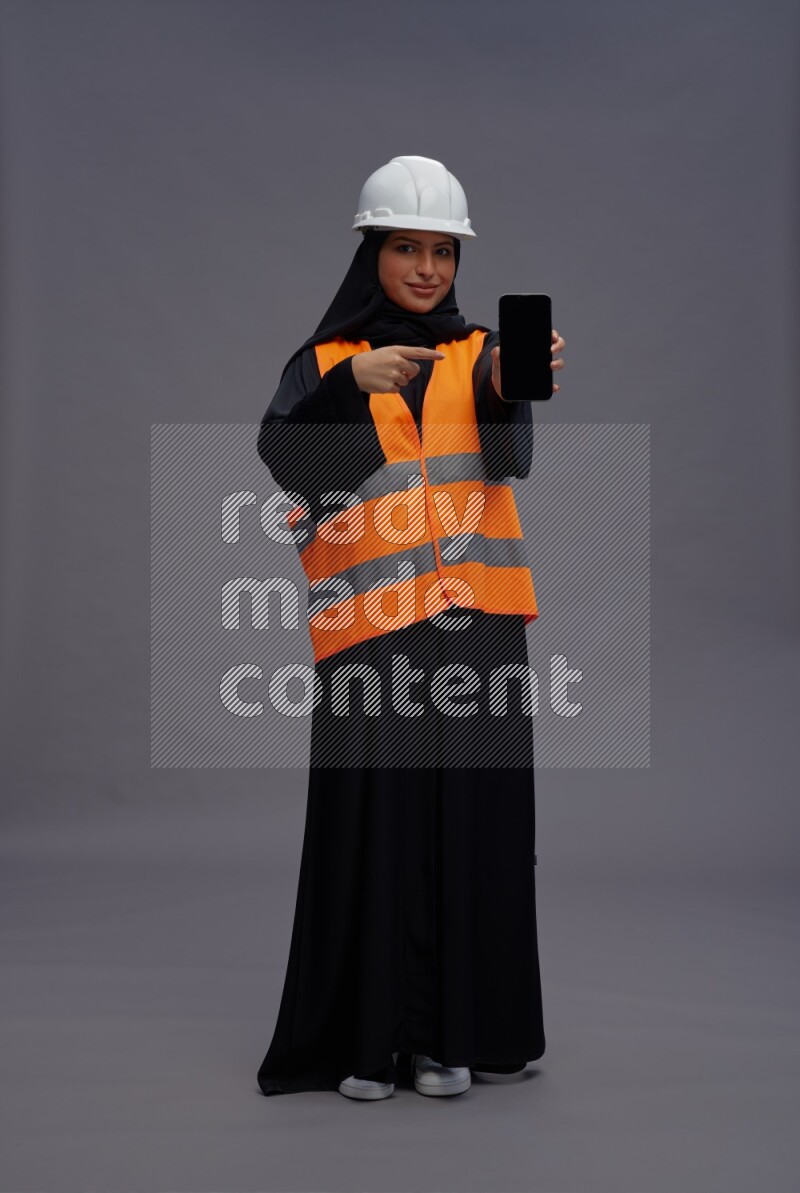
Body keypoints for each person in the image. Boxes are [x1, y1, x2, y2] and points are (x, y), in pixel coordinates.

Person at [254, 155, 566, 1100]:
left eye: (443, 251)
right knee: (376, 829)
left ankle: (450, 1041)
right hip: (373, 632)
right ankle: (368, 1041)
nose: (427, 269)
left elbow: (510, 461)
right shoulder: (324, 363)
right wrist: (351, 389)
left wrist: (509, 389)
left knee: (473, 830)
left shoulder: (482, 355)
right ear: (371, 253)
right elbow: (290, 467)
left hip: (478, 628)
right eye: (406, 248)